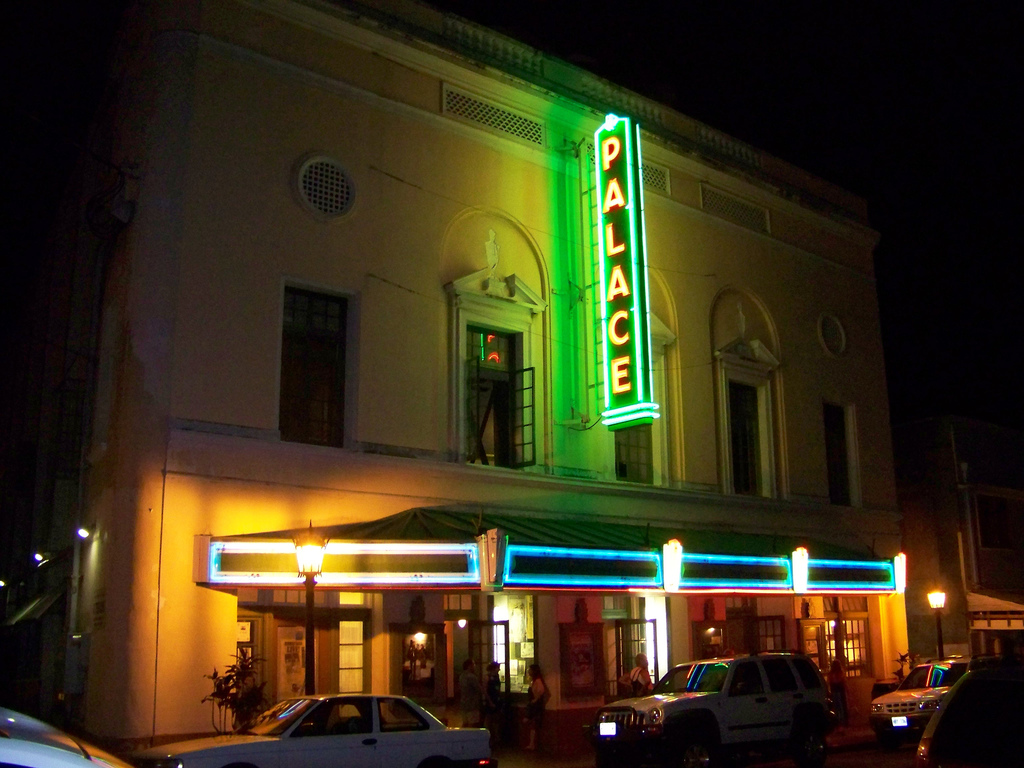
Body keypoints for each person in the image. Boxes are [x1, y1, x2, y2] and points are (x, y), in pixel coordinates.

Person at [524, 663, 546, 750]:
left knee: (533, 724)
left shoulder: (537, 681)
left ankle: (532, 743)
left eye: (530, 670)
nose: (528, 671)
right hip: (534, 705)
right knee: (533, 724)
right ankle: (532, 743)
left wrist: (535, 699)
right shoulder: (534, 681)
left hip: (535, 706)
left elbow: (541, 691)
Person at [482, 661, 502, 746]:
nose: (499, 669)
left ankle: (495, 737)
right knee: (489, 719)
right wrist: (489, 701)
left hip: (496, 699)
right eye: (498, 667)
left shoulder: (496, 677)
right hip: (491, 699)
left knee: (495, 719)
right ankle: (488, 737)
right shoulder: (487, 677)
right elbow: (485, 690)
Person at [459, 659, 482, 728]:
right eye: (473, 664)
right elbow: (479, 689)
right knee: (472, 723)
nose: (474, 666)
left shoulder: (461, 676)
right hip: (472, 704)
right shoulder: (472, 677)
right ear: (469, 666)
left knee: (465, 723)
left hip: (464, 703)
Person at [828, 656, 848, 727]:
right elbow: (843, 682)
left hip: (835, 691)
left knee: (837, 706)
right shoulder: (840, 673)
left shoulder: (832, 673)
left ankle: (838, 720)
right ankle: (841, 720)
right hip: (839, 691)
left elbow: (830, 681)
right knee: (841, 706)